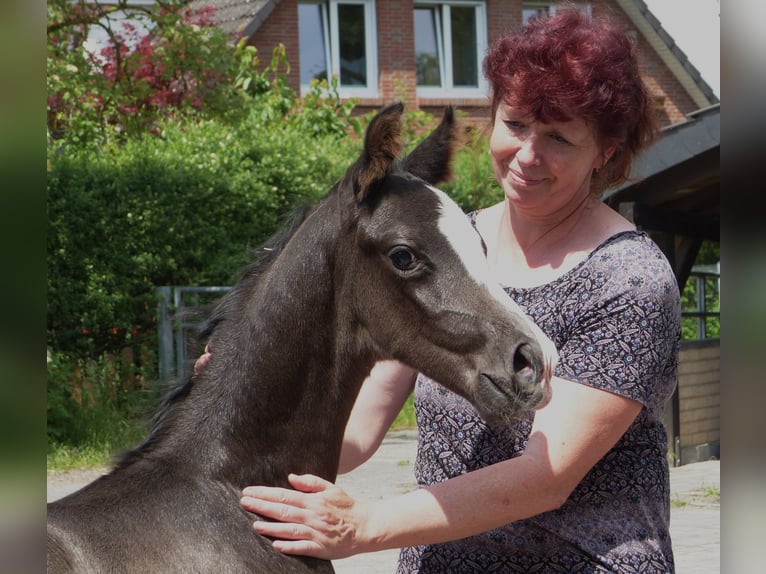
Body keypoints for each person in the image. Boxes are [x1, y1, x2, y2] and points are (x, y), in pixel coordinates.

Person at [231, 8, 681, 573]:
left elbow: (546, 478)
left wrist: (361, 525)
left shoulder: (629, 280)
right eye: (515, 124)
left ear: (606, 152)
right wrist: (253, 398)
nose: (528, 155)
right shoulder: (451, 244)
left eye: (560, 137)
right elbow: (360, 430)